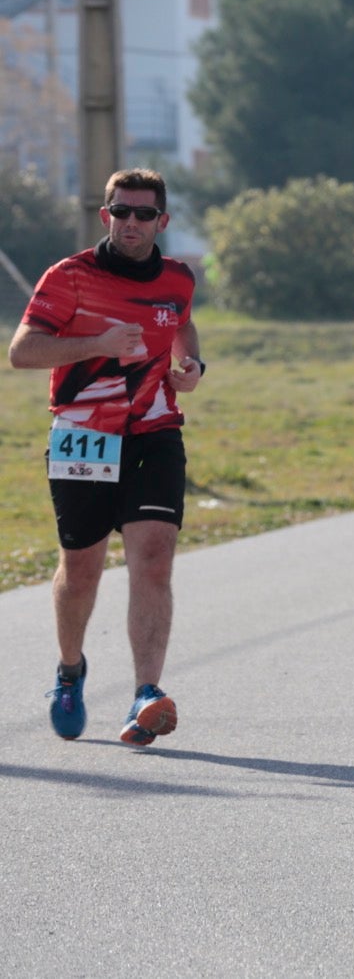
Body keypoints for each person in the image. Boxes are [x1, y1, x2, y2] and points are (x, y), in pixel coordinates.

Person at [8, 167, 202, 746]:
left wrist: (191, 368)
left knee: (154, 557)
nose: (132, 223)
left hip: (153, 429)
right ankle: (71, 671)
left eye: (145, 214)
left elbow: (183, 329)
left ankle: (146, 694)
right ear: (106, 216)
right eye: (122, 212)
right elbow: (22, 352)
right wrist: (96, 343)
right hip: (82, 434)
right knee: (83, 568)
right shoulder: (69, 277)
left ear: (162, 221)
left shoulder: (178, 279)